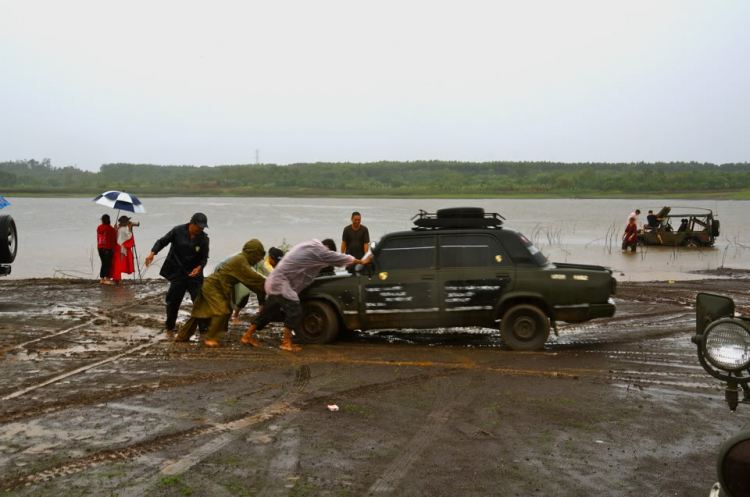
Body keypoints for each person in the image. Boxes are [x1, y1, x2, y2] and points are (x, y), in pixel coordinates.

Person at [241, 239, 371, 351]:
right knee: (295, 309)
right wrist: (361, 262)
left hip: (275, 281)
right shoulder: (319, 251)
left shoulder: (310, 246)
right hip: (280, 284)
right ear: (327, 249)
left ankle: (247, 336)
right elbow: (340, 258)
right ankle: (286, 342)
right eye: (329, 252)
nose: (328, 255)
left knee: (267, 312)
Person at [176, 240, 266, 347]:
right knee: (222, 311)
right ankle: (211, 339)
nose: (260, 258)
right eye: (259, 255)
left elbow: (251, 280)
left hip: (219, 286)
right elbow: (253, 278)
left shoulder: (243, 259)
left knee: (199, 312)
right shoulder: (241, 260)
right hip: (213, 286)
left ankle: (182, 336)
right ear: (253, 252)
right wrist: (271, 286)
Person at [144, 213, 210, 333]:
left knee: (200, 301)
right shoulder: (177, 231)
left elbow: (204, 257)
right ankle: (170, 327)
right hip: (178, 272)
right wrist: (152, 254)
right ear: (192, 223)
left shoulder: (204, 238)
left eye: (203, 228)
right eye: (199, 227)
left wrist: (199, 267)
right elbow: (162, 241)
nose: (201, 230)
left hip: (194, 275)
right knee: (173, 301)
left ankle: (204, 329)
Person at [110, 216, 135, 284]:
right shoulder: (123, 229)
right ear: (124, 222)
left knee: (117, 262)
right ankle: (117, 279)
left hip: (117, 246)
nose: (128, 222)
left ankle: (116, 278)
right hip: (121, 247)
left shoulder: (117, 228)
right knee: (119, 263)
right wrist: (130, 228)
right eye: (127, 221)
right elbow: (129, 236)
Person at [96, 214, 116, 285]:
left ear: (103, 220)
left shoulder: (99, 227)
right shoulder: (111, 229)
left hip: (100, 247)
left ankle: (102, 278)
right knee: (108, 264)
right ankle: (107, 279)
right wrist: (114, 249)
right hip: (108, 248)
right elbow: (113, 239)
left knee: (103, 263)